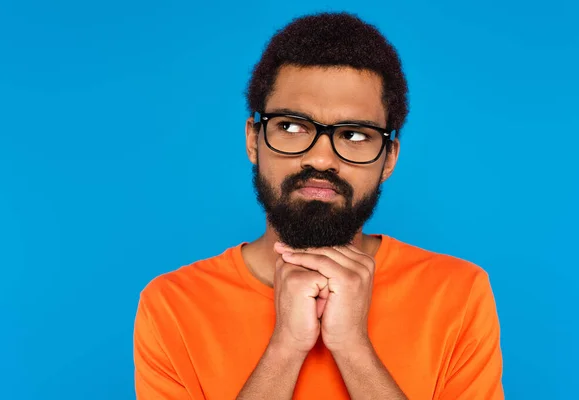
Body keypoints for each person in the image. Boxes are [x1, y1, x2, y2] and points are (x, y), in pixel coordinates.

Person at [133, 12, 504, 400]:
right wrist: (285, 348)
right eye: (292, 127)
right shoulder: (172, 305)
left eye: (355, 134)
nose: (323, 160)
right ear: (253, 140)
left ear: (389, 158)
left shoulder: (457, 294)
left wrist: (353, 348)